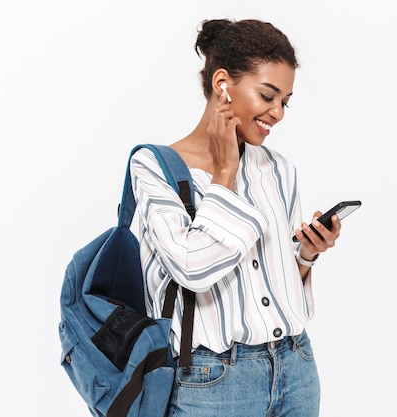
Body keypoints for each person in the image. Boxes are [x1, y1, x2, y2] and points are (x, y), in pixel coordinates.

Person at [130, 18, 342, 417]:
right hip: (213, 382)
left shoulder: (278, 169)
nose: (277, 113)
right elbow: (192, 269)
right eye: (268, 95)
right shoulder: (155, 167)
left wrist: (307, 256)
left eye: (286, 101)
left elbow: (274, 284)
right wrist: (224, 176)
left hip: (295, 367)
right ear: (222, 83)